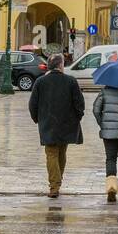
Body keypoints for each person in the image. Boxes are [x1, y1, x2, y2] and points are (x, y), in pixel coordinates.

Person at [28, 53, 86, 197]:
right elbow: (80, 103)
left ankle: (54, 186)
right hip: (67, 123)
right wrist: (77, 117)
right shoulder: (71, 81)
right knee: (61, 152)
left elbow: (32, 104)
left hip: (48, 123)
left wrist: (38, 119)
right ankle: (57, 183)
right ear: (60, 66)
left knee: (51, 153)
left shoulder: (40, 82)